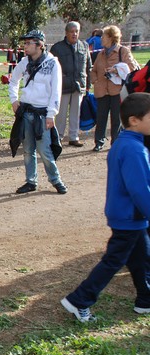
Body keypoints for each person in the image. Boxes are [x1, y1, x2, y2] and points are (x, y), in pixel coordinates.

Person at [61, 92, 150, 322]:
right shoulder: (134, 150)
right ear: (134, 120)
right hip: (130, 216)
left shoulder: (124, 143)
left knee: (142, 257)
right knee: (113, 261)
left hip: (130, 217)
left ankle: (145, 300)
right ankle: (79, 300)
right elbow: (139, 190)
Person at [8, 29, 68, 195]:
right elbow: (13, 81)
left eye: (29, 43)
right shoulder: (23, 62)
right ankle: (30, 181)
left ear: (40, 45)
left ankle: (56, 180)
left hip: (43, 114)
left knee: (44, 150)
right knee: (28, 150)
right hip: (26, 111)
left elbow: (56, 90)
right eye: (24, 43)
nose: (25, 47)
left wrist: (51, 114)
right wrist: (14, 100)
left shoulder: (52, 63)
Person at [90, 25, 140, 152]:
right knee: (101, 117)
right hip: (102, 90)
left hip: (117, 90)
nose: (101, 39)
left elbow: (133, 69)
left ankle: (115, 143)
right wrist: (95, 80)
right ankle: (99, 142)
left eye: (104, 36)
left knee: (116, 119)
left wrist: (117, 70)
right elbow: (93, 70)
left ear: (111, 38)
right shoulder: (101, 54)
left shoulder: (123, 51)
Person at [50, 21, 92, 147]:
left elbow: (88, 66)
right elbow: (51, 67)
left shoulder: (84, 46)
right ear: (66, 33)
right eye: (72, 31)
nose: (74, 34)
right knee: (61, 114)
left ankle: (74, 137)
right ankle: (58, 137)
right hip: (63, 86)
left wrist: (88, 84)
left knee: (76, 113)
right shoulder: (57, 48)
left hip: (79, 85)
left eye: (76, 31)